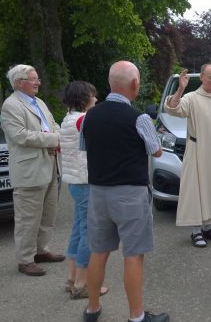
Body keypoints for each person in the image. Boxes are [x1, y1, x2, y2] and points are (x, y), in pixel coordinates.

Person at [81, 61, 167, 322]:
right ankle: (137, 317)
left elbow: (86, 147)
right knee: (133, 254)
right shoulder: (139, 118)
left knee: (98, 251)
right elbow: (157, 151)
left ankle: (92, 309)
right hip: (129, 194)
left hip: (97, 192)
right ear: (134, 84)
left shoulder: (89, 116)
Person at [1, 64, 65, 277]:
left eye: (37, 78)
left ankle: (40, 251)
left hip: (50, 165)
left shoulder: (39, 102)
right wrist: (55, 139)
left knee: (48, 213)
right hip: (29, 170)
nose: (38, 82)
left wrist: (57, 134)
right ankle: (25, 260)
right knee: (28, 218)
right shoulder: (11, 105)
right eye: (34, 79)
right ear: (20, 83)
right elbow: (20, 135)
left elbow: (54, 124)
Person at [164, 64, 211, 247]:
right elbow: (173, 109)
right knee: (196, 191)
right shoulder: (191, 97)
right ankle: (196, 231)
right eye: (210, 77)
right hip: (197, 152)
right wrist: (180, 88)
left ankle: (207, 227)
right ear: (202, 78)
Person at [60, 81, 109, 299]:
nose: (96, 99)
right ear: (84, 98)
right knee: (89, 231)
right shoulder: (83, 120)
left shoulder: (68, 119)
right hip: (86, 181)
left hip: (75, 181)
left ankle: (72, 277)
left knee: (79, 229)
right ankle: (82, 283)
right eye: (93, 95)